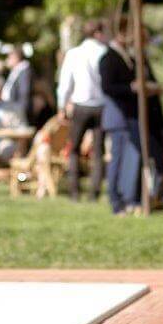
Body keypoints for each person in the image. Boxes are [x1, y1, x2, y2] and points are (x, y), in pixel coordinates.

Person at [100, 16, 163, 216]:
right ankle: (115, 201)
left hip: (131, 116)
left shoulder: (131, 56)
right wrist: (132, 87)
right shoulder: (109, 57)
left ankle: (129, 198)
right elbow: (108, 87)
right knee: (117, 159)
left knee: (131, 158)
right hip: (118, 117)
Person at [56, 18, 109, 201]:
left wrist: (62, 106)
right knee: (98, 151)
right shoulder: (105, 52)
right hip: (100, 105)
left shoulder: (74, 53)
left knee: (74, 149)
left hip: (81, 105)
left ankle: (74, 190)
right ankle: (94, 192)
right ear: (98, 33)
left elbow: (65, 84)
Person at [1, 48, 33, 123]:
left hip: (18, 111)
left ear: (16, 57)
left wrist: (19, 110)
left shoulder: (24, 71)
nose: (7, 60)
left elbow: (24, 92)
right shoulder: (17, 70)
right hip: (12, 108)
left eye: (9, 57)